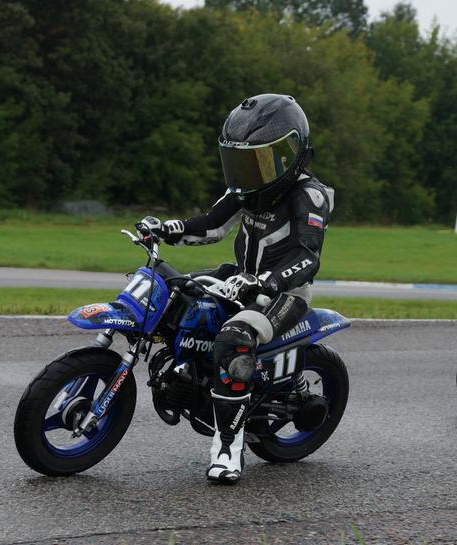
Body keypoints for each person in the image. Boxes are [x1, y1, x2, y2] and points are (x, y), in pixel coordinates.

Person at [135, 94, 333, 483]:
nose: (246, 172)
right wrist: (168, 229)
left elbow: (308, 257)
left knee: (233, 339)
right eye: (239, 161)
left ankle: (228, 448)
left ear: (288, 155)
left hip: (284, 294)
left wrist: (267, 281)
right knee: (178, 296)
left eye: (258, 160)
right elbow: (211, 224)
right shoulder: (248, 189)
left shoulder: (309, 195)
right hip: (241, 279)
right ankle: (187, 380)